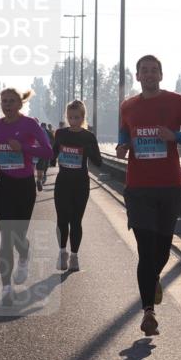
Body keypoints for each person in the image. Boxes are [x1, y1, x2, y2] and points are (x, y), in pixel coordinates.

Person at [116, 54, 181, 336]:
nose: (150, 74)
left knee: (162, 250)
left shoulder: (177, 102)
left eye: (154, 70)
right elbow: (123, 136)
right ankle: (148, 313)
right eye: (145, 70)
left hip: (169, 186)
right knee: (145, 249)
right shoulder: (127, 107)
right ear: (138, 76)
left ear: (161, 75)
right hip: (138, 188)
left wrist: (175, 136)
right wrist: (122, 147)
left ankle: (152, 279)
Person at [0, 88, 53, 305]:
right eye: (4, 101)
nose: (7, 104)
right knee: (6, 237)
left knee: (18, 236)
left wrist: (24, 147)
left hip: (24, 186)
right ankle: (6, 288)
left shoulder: (30, 124)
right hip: (3, 184)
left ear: (20, 104)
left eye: (12, 101)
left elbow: (48, 151)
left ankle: (25, 255)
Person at [53, 100, 102, 272]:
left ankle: (74, 255)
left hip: (81, 184)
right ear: (67, 117)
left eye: (77, 117)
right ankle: (62, 252)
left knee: (76, 221)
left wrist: (89, 150)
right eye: (71, 117)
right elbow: (52, 157)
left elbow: (98, 162)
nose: (73, 121)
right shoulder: (60, 134)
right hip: (62, 183)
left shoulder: (88, 137)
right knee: (61, 220)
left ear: (83, 117)